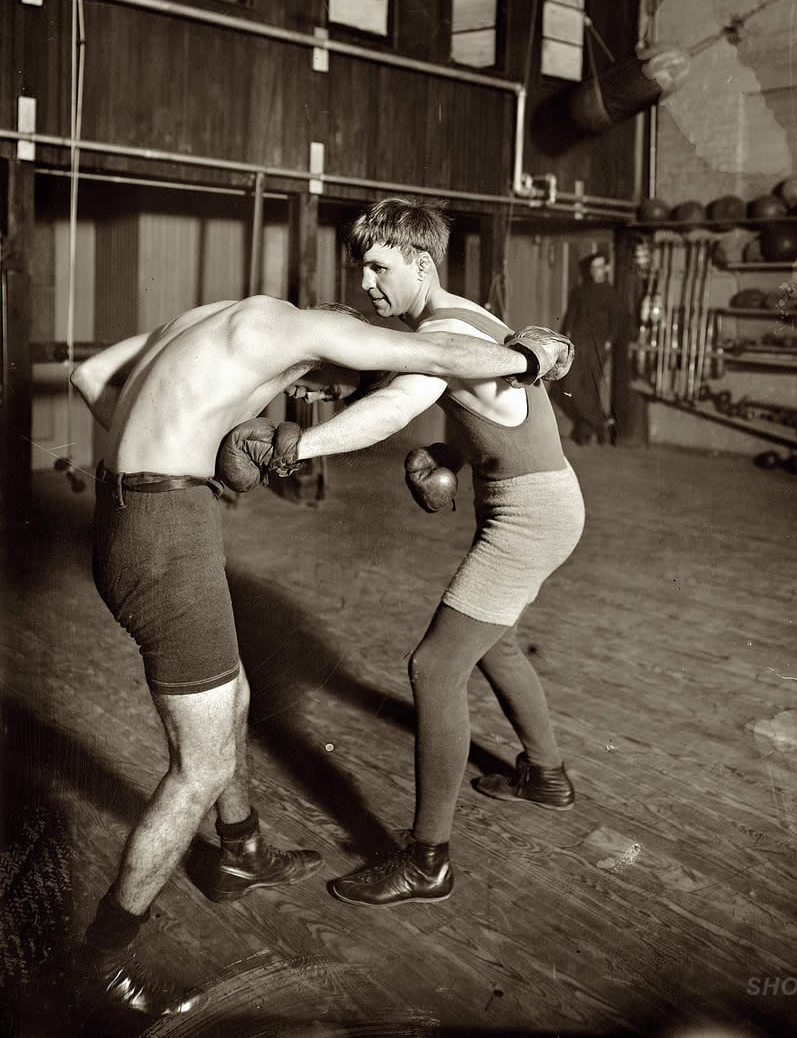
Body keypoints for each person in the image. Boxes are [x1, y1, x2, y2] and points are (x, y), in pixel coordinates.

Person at [69, 294, 567, 1018]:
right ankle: (101, 959)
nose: (315, 396)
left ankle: (240, 850)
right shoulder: (308, 331)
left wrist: (164, 459)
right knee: (199, 766)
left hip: (135, 516)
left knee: (231, 696)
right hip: (164, 541)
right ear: (339, 348)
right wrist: (530, 357)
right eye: (328, 386)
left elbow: (90, 375)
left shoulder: (215, 314)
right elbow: (435, 356)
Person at [219, 200, 585, 908]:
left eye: (381, 269)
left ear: (422, 264)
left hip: (530, 515)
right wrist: (445, 452)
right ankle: (545, 773)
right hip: (535, 498)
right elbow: (498, 416)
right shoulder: (460, 315)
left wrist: (301, 447)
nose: (367, 285)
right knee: (494, 642)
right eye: (362, 269)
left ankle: (427, 861)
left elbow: (397, 404)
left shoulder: (444, 331)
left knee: (434, 665)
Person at [551, 250, 617, 445]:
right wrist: (566, 337)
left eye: (599, 267)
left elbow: (617, 321)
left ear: (605, 269)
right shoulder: (580, 291)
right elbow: (571, 316)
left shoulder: (611, 294)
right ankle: (602, 422)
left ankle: (584, 434)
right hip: (578, 344)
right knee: (569, 386)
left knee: (590, 388)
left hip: (598, 348)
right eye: (593, 267)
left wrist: (609, 343)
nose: (596, 271)